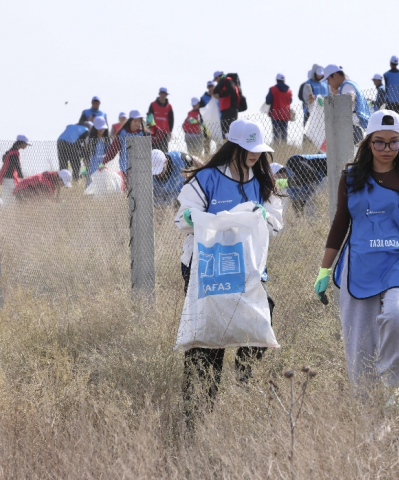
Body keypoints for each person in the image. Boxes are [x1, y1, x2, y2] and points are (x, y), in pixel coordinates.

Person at [312, 110, 399, 410]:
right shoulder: (352, 179)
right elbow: (340, 223)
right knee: (360, 349)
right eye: (379, 142)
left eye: (394, 142)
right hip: (360, 265)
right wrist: (324, 270)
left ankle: (392, 384)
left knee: (398, 317)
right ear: (368, 143)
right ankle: (370, 418)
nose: (386, 149)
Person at [173, 119, 284, 419]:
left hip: (246, 268)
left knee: (262, 314)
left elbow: (275, 222)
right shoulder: (206, 178)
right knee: (209, 337)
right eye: (248, 148)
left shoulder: (262, 180)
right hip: (207, 267)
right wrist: (198, 218)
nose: (255, 154)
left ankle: (246, 379)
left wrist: (263, 217)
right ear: (233, 146)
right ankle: (198, 409)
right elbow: (182, 218)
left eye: (258, 149)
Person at [323, 64, 372, 144]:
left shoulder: (346, 85)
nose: (328, 83)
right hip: (359, 126)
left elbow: (350, 98)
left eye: (328, 79)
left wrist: (334, 104)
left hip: (354, 127)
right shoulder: (351, 84)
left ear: (335, 75)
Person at [106, 110, 149, 175]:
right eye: (135, 121)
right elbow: (113, 150)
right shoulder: (123, 133)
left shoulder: (143, 134)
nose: (137, 123)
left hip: (140, 168)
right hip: (125, 168)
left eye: (139, 121)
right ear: (130, 121)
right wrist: (104, 162)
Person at [212, 71, 243, 136]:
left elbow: (231, 89)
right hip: (226, 109)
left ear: (218, 77)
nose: (216, 81)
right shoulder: (223, 82)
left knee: (230, 128)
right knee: (225, 128)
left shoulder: (227, 80)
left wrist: (220, 95)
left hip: (230, 108)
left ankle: (230, 140)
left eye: (216, 79)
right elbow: (215, 91)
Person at [264, 73, 292, 144]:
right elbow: (290, 101)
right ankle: (284, 146)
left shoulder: (273, 89)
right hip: (285, 114)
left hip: (275, 113)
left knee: (276, 132)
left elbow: (268, 100)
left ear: (276, 80)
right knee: (284, 131)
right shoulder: (289, 91)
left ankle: (276, 146)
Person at [147, 87, 176, 152]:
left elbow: (171, 120)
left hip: (164, 133)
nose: (163, 95)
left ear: (166, 95)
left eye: (164, 94)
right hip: (154, 133)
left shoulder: (169, 106)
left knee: (164, 151)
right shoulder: (153, 105)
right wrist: (149, 129)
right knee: (154, 151)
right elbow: (149, 118)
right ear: (159, 94)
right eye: (162, 93)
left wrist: (170, 132)